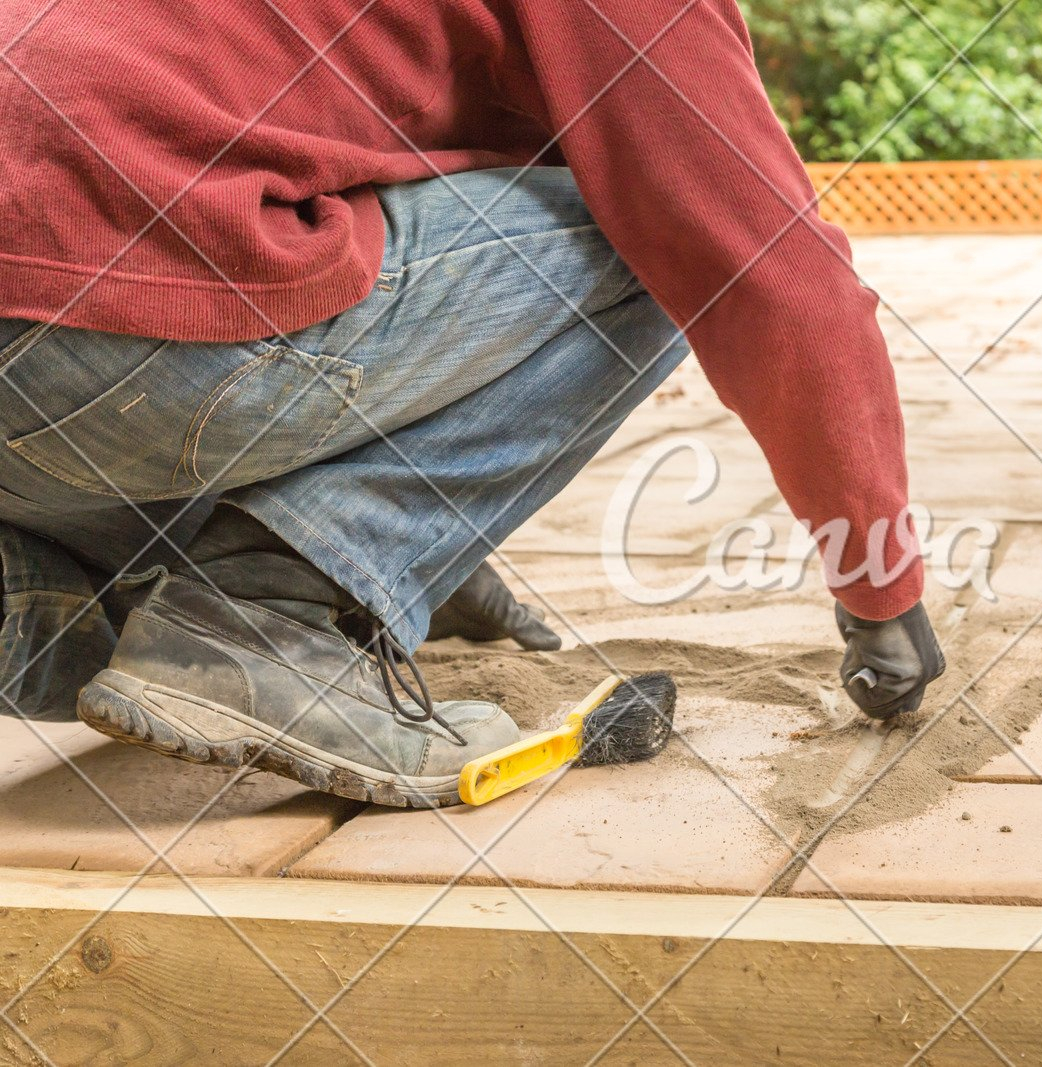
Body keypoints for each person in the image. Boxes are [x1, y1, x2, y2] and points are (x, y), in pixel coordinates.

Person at [0, 0, 944, 807]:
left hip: (50, 305)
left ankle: (39, 603)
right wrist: (880, 586)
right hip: (106, 320)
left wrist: (428, 561)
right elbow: (768, 267)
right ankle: (268, 615)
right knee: (660, 240)